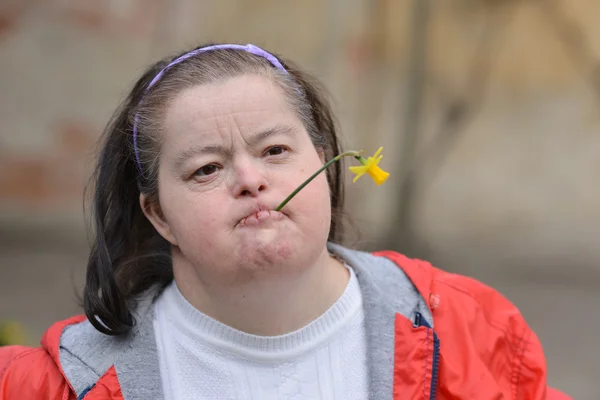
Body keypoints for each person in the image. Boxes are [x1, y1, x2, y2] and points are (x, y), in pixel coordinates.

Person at [0, 43, 570, 400]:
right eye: (206, 169)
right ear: (159, 215)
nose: (249, 179)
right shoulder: (54, 385)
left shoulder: (472, 333)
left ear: (324, 163)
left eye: (274, 151)